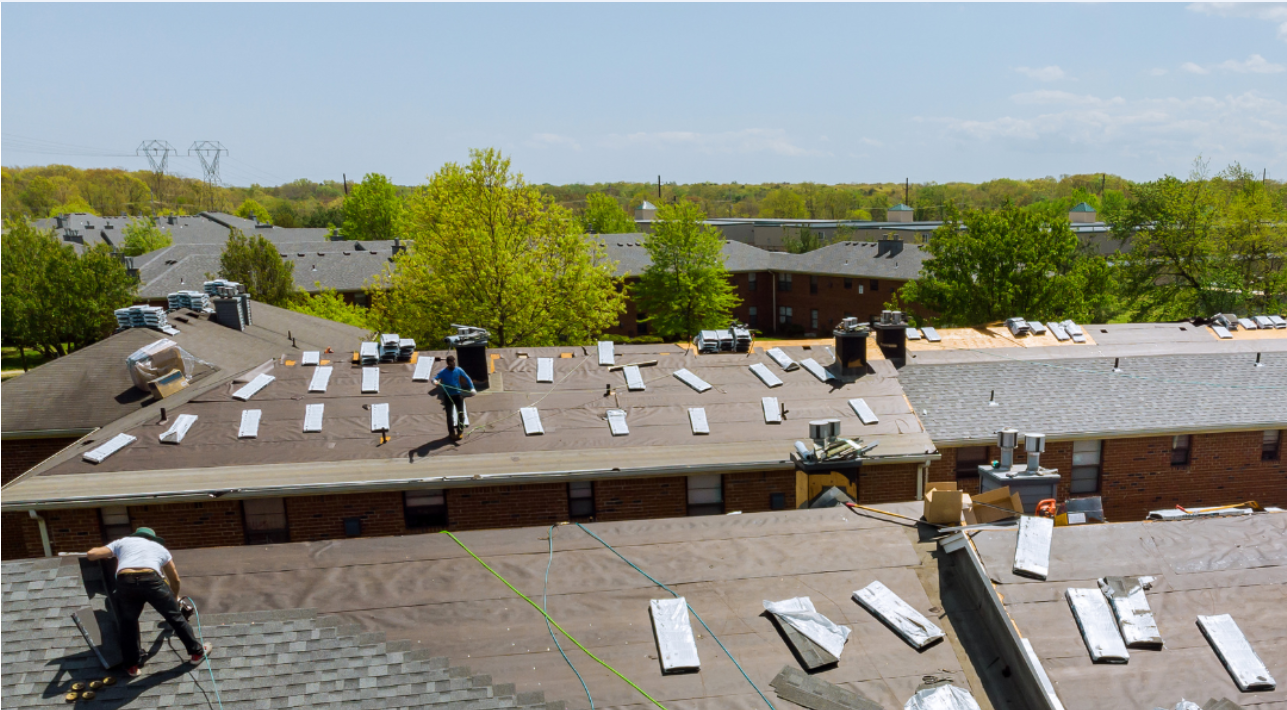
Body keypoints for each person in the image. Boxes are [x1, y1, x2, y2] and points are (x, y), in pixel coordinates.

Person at [86, 528, 211, 676]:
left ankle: (132, 666)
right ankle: (196, 653)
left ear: (136, 536)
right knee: (175, 618)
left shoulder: (122, 542)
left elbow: (91, 554)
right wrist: (174, 598)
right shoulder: (159, 548)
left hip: (125, 582)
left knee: (128, 623)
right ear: (151, 539)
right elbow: (175, 579)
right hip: (152, 581)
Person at [433, 354, 475, 439]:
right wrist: (435, 381)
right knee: (449, 415)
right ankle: (451, 433)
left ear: (454, 362)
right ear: (447, 364)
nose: (452, 365)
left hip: (458, 395)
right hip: (448, 395)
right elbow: (434, 378)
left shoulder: (459, 370)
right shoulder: (443, 372)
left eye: (453, 364)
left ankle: (460, 432)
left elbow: (467, 378)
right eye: (450, 364)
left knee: (461, 414)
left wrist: (472, 388)